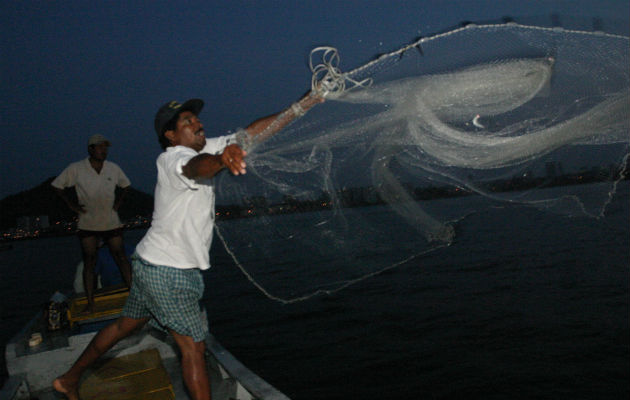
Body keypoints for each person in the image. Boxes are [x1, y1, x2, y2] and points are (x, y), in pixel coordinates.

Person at [53, 92, 323, 400]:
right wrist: (222, 159)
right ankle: (70, 378)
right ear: (170, 135)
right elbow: (196, 168)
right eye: (187, 121)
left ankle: (69, 379)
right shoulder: (172, 159)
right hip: (169, 273)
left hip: (148, 264)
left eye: (196, 118)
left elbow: (251, 133)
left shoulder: (204, 147)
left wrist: (305, 103)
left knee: (121, 328)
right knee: (193, 347)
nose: (198, 123)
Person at [52, 134, 133, 312]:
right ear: (90, 149)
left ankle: (135, 297)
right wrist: (71, 205)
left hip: (111, 221)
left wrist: (118, 203)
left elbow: (126, 186)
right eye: (100, 147)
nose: (104, 151)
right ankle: (90, 302)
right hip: (88, 223)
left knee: (122, 258)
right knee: (89, 261)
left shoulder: (113, 168)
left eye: (106, 148)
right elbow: (57, 186)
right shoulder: (76, 168)